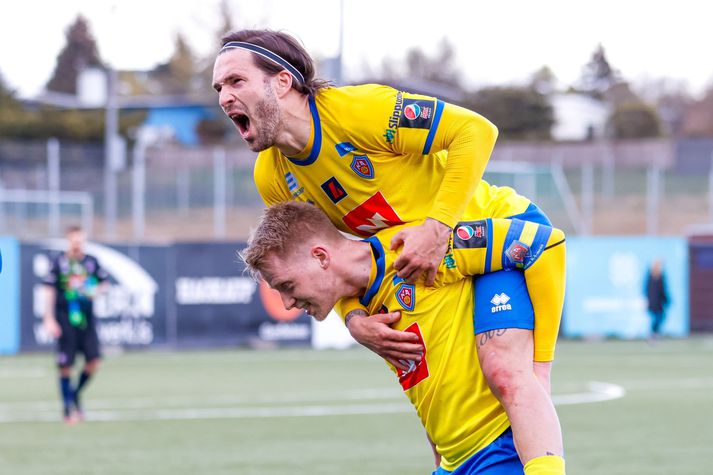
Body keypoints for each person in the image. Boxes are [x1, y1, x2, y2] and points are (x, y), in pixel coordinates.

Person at [213, 29, 564, 464]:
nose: (224, 97)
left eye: (235, 81)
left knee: (506, 373)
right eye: (219, 88)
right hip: (430, 264)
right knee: (436, 402)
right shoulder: (272, 177)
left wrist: (436, 227)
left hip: (494, 232)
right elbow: (319, 254)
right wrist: (353, 317)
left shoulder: (358, 112)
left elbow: (476, 132)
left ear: (282, 81)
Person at [240, 201, 566, 474]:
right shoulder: (366, 315)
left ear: (321, 257)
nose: (287, 303)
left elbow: (543, 243)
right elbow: (426, 384)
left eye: (287, 285)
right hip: (456, 463)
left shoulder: (418, 250)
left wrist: (541, 367)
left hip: (502, 448)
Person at [42, 225, 109, 423]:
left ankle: (75, 395)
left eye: (81, 240)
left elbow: (104, 284)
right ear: (68, 241)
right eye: (74, 240)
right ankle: (67, 409)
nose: (77, 244)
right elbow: (48, 290)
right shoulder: (58, 263)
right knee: (65, 365)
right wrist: (49, 318)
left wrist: (95, 290)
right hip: (65, 320)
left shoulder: (91, 262)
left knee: (94, 362)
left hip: (86, 321)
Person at [644, 259, 669, 339]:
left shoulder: (661, 277)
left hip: (659, 302)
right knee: (657, 318)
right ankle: (654, 333)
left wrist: (665, 299)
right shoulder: (651, 277)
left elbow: (663, 290)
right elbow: (648, 290)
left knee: (660, 317)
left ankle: (655, 333)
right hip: (653, 302)